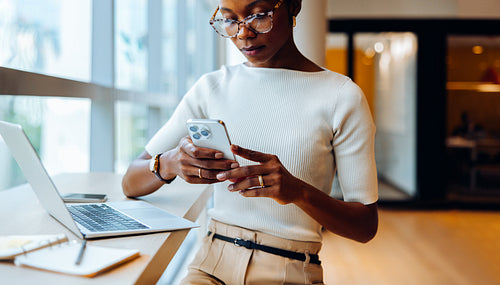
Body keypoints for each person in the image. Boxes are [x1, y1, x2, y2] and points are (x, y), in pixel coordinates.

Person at [122, 0, 378, 283]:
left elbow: (365, 226)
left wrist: (298, 192)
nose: (243, 33)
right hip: (209, 263)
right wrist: (169, 163)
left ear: (293, 5)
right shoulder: (211, 87)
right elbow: (131, 180)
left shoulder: (342, 97)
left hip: (288, 270)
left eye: (258, 16)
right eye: (230, 20)